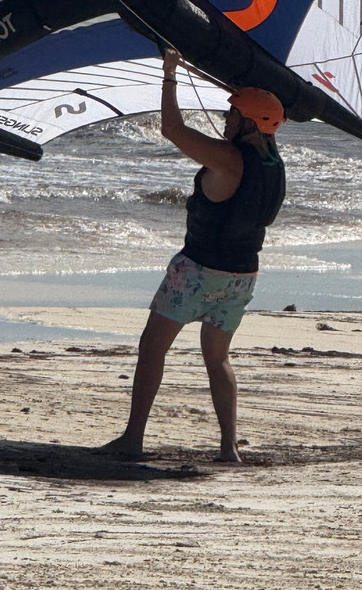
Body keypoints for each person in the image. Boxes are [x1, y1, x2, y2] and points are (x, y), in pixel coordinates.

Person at [102, 49, 286, 462]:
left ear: (249, 122)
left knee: (152, 348)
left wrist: (170, 76)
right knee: (217, 357)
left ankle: (132, 440)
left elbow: (171, 128)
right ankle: (228, 449)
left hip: (199, 271)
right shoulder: (274, 165)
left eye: (232, 114)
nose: (225, 119)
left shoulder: (229, 160)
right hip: (242, 277)